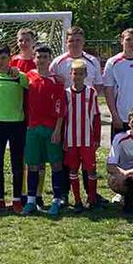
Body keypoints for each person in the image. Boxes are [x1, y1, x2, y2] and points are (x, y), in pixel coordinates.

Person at [49, 26, 104, 204]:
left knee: (89, 164)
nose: (74, 43)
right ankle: (66, 194)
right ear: (66, 42)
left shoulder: (92, 61)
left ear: (83, 41)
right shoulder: (58, 62)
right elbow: (50, 84)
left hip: (86, 120)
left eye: (78, 40)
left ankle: (91, 195)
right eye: (71, 40)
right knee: (67, 160)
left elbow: (99, 85)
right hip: (66, 120)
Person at [23, 45, 67, 216]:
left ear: (50, 59)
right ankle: (31, 201)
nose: (41, 60)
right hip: (33, 128)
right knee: (33, 164)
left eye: (45, 57)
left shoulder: (57, 81)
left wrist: (57, 130)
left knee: (56, 164)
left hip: (51, 128)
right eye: (39, 57)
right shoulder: (28, 77)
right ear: (34, 59)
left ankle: (56, 200)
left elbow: (61, 107)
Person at [0, 44, 29, 212]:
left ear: (10, 58)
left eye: (3, 58)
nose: (0, 61)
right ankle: (0, 199)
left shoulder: (20, 76)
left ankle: (17, 199)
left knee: (16, 162)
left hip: (17, 123)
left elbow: (31, 87)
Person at [65, 59, 103, 214]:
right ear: (71, 74)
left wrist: (97, 138)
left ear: (86, 75)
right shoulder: (66, 93)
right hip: (71, 139)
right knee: (73, 170)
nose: (78, 76)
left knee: (91, 170)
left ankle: (92, 199)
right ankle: (77, 200)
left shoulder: (91, 93)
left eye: (81, 74)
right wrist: (63, 139)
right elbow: (63, 117)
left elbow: (96, 117)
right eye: (75, 73)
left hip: (87, 139)